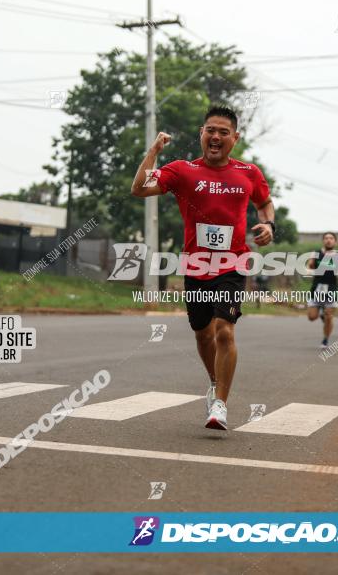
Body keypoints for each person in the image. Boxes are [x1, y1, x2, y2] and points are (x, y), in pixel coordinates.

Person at [130, 104, 275, 431]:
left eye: (224, 132)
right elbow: (138, 188)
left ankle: (220, 403)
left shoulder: (248, 173)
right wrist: (153, 151)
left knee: (225, 329)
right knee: (202, 332)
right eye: (211, 130)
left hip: (233, 264)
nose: (216, 136)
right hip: (196, 265)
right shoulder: (182, 171)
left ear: (234, 138)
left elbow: (265, 203)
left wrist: (270, 226)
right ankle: (213, 382)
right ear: (201, 134)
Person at [307, 232, 338, 349]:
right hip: (317, 288)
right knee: (311, 317)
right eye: (326, 238)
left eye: (331, 238)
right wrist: (310, 269)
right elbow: (309, 267)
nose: (328, 240)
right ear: (323, 241)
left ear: (335, 242)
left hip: (331, 288)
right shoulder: (315, 254)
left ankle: (325, 339)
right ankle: (320, 314)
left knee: (328, 316)